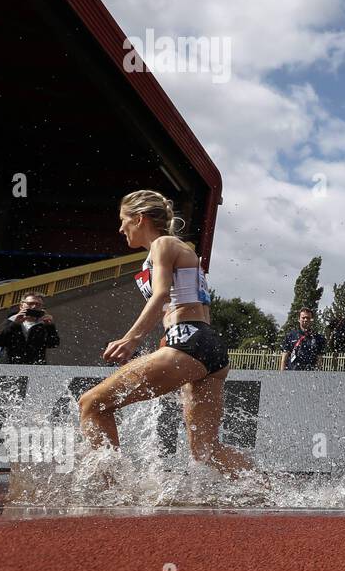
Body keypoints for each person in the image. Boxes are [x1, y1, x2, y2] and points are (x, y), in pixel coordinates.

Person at [79, 190, 249, 475]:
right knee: (207, 452)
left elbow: (159, 297)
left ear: (140, 218)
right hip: (208, 346)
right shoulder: (169, 250)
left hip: (189, 341)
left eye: (123, 220)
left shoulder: (163, 244)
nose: (121, 228)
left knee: (91, 404)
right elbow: (176, 304)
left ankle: (110, 488)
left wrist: (131, 339)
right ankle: (270, 494)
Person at [0, 292, 60, 364]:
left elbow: (53, 344)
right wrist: (15, 324)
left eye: (38, 304)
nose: (34, 306)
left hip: (34, 368)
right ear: (21, 305)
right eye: (30, 303)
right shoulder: (10, 321)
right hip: (8, 367)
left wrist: (50, 327)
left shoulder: (44, 324)